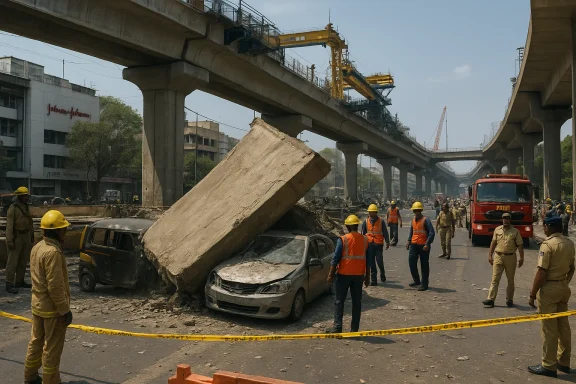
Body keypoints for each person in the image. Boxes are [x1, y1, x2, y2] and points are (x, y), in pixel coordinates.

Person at [24, 210, 73, 384]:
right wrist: (65, 310)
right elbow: (55, 287)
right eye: (64, 229)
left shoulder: (37, 247)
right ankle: (51, 381)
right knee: (52, 350)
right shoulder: (53, 252)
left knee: (35, 344)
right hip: (52, 311)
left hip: (37, 307)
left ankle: (29, 377)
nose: (66, 233)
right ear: (58, 232)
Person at [527, 216, 575, 378]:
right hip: (563, 287)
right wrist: (564, 281)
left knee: (549, 329)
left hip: (549, 289)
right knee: (563, 325)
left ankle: (548, 365)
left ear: (550, 227)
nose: (544, 228)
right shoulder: (569, 243)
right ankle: (564, 362)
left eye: (545, 226)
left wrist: (533, 294)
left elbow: (541, 272)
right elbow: (572, 267)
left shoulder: (547, 245)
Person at [327, 215, 369, 333]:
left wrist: (330, 275)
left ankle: (337, 327)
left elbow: (335, 259)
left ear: (348, 226)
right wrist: (368, 277)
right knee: (357, 303)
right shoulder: (365, 240)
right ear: (357, 225)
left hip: (343, 275)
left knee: (339, 301)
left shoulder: (343, 239)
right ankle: (354, 329)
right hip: (359, 276)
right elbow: (369, 261)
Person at [483, 212, 524, 308]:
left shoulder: (515, 232)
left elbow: (520, 246)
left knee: (510, 280)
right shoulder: (497, 230)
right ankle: (491, 299)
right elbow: (493, 243)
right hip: (498, 256)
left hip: (510, 257)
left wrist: (522, 257)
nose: (505, 220)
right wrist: (490, 255)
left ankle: (509, 299)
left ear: (510, 220)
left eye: (507, 218)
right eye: (504, 218)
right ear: (502, 219)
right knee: (495, 279)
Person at [5, 186, 34, 294]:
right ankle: (9, 283)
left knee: (23, 260)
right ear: (20, 196)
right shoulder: (13, 209)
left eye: (27, 195)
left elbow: (30, 222)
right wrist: (9, 240)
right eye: (25, 196)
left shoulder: (26, 207)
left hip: (25, 236)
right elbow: (9, 226)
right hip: (17, 237)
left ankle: (19, 281)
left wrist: (32, 234)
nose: (27, 197)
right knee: (12, 262)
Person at [406, 202, 435, 291]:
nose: (416, 212)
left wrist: (427, 244)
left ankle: (424, 284)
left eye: (418, 210)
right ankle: (417, 280)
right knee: (411, 263)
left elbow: (431, 233)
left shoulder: (426, 220)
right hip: (414, 244)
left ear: (421, 210)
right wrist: (408, 241)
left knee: (424, 265)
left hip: (423, 245)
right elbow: (412, 231)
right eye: (415, 211)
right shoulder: (413, 220)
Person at [361, 204, 390, 285]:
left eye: (374, 212)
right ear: (369, 213)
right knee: (371, 263)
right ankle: (374, 280)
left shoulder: (381, 221)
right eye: (371, 212)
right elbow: (363, 234)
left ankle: (382, 272)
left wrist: (387, 242)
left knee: (379, 261)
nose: (372, 214)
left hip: (378, 244)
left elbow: (385, 232)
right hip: (369, 245)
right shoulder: (365, 221)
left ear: (376, 212)